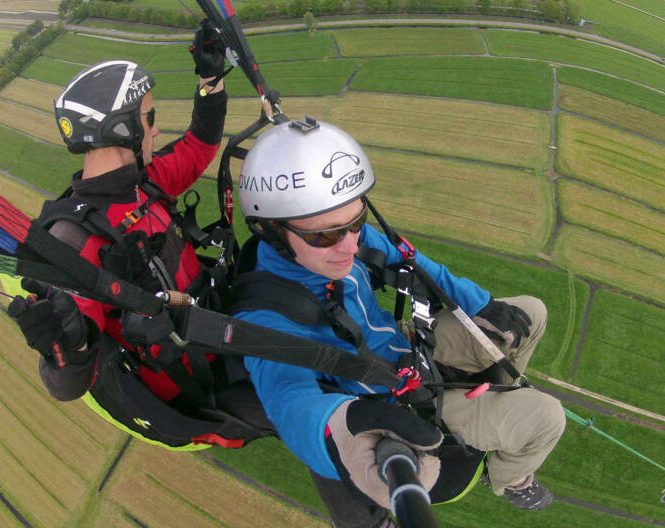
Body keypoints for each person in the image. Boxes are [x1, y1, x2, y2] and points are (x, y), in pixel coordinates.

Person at [233, 119, 567, 527]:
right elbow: (289, 403)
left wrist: (479, 303)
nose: (351, 247)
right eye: (326, 236)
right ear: (270, 231)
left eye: (356, 224)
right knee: (547, 418)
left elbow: (410, 260)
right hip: (398, 400)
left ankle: (500, 400)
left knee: (530, 313)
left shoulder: (332, 240)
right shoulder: (267, 314)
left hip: (409, 350)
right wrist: (343, 426)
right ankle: (509, 477)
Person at [5, 23, 273, 436]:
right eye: (149, 118)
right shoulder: (72, 241)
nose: (155, 130)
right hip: (203, 381)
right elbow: (66, 384)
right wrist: (70, 350)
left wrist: (210, 83)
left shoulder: (142, 181)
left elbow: (199, 145)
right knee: (308, 406)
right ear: (122, 129)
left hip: (224, 324)